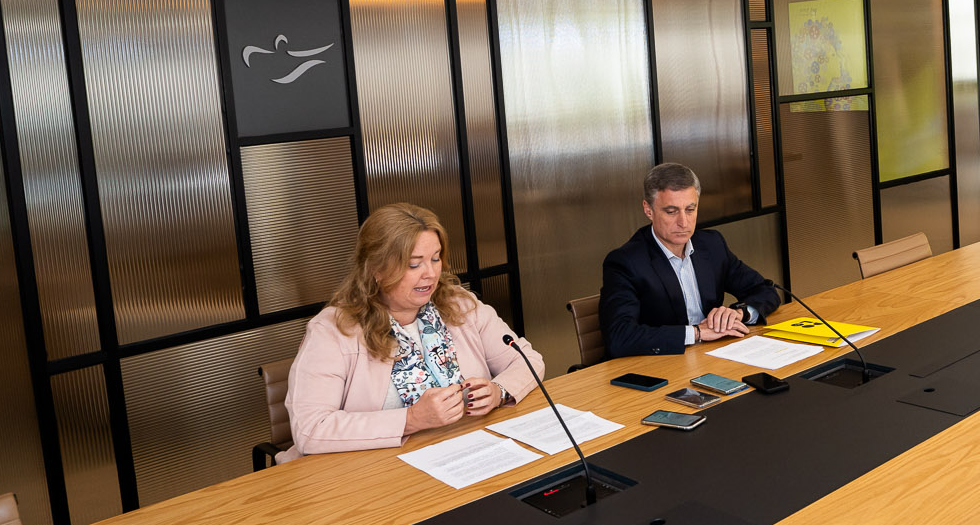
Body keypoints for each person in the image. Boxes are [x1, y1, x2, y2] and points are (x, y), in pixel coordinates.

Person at [286, 203, 541, 455]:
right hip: (371, 474)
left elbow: (529, 361)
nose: (430, 274)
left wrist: (499, 392)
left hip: (465, 452)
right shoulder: (332, 330)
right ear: (376, 269)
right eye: (413, 264)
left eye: (435, 258)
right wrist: (411, 419)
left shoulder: (458, 304)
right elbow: (311, 429)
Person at [600, 163, 781, 358]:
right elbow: (619, 337)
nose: (683, 222)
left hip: (714, 356)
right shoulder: (625, 262)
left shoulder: (712, 244)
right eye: (671, 211)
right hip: (663, 364)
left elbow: (766, 290)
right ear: (648, 209)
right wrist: (697, 333)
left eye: (690, 209)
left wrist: (739, 313)